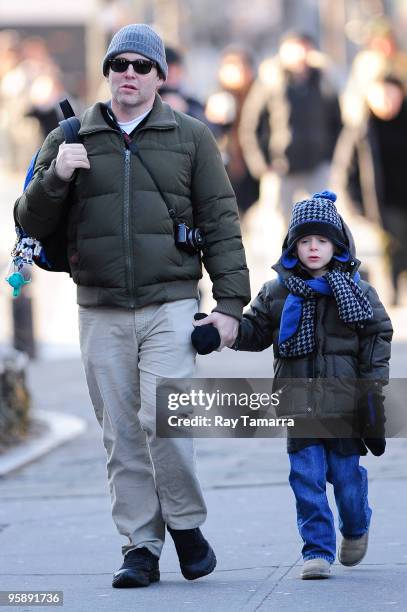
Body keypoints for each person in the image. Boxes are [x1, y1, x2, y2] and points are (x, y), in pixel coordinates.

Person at [14, 24, 250, 588]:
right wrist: (56, 174)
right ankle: (140, 546)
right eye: (119, 63)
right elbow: (28, 223)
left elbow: (220, 219)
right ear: (107, 72)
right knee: (120, 433)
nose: (129, 72)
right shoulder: (71, 135)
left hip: (170, 303)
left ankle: (187, 527)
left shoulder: (191, 136)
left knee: (163, 422)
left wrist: (230, 306)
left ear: (160, 76)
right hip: (98, 308)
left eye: (142, 65)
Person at [219, 190, 392, 579]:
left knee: (346, 481)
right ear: (293, 246)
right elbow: (255, 330)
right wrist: (221, 332)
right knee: (306, 480)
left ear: (338, 244)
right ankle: (317, 550)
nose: (313, 248)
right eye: (305, 240)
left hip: (346, 404)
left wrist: (372, 385)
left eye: (322, 240)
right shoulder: (277, 292)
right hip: (297, 403)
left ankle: (356, 525)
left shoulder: (358, 292)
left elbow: (378, 334)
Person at [239, 32, 342, 226]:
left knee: (319, 224)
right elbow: (250, 125)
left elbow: (337, 122)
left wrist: (331, 158)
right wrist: (260, 164)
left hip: (317, 165)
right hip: (280, 167)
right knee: (282, 226)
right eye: (294, 48)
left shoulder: (324, 81)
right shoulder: (270, 81)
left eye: (305, 47)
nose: (300, 54)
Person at [334, 75, 407, 305]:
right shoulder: (361, 129)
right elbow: (344, 171)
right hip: (381, 206)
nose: (387, 101)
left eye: (391, 94)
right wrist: (356, 207)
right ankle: (391, 300)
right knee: (390, 254)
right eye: (381, 95)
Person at [205, 46, 260, 218]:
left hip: (255, 167)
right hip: (226, 168)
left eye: (240, 66)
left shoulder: (260, 95)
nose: (236, 72)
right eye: (230, 67)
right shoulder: (217, 97)